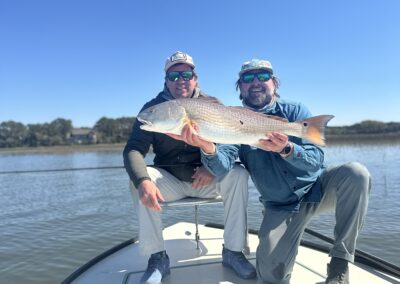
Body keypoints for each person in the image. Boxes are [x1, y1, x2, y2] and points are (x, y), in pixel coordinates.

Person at [181, 59, 370, 284]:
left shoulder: (295, 111)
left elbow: (316, 162)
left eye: (263, 76)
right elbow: (221, 168)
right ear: (240, 87)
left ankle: (339, 265)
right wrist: (207, 147)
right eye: (247, 78)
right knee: (271, 277)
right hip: (280, 206)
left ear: (274, 83)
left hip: (318, 189)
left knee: (356, 174)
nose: (256, 82)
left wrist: (287, 149)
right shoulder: (228, 119)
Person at [123, 51, 256, 284]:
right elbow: (133, 149)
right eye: (174, 76)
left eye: (186, 74)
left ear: (195, 78)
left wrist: (213, 169)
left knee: (238, 174)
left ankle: (233, 251)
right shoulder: (152, 109)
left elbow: (231, 145)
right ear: (166, 81)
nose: (181, 80)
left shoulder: (212, 105)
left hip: (207, 180)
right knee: (140, 180)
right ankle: (157, 258)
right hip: (170, 182)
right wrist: (143, 180)